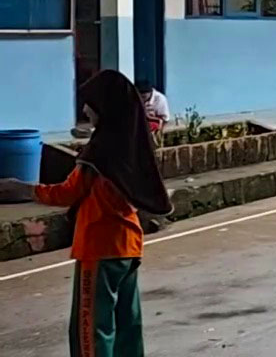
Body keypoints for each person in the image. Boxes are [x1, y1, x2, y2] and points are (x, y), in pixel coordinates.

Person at [0, 70, 173, 356]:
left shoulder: (99, 153)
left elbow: (68, 193)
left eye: (89, 104)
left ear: (104, 107)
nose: (84, 111)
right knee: (128, 324)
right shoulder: (131, 145)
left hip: (99, 246)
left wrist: (23, 189)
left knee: (92, 327)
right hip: (128, 246)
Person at [136, 80, 170, 144]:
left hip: (154, 123)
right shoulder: (134, 97)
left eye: (143, 97)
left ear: (150, 93)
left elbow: (165, 119)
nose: (142, 99)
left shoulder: (160, 99)